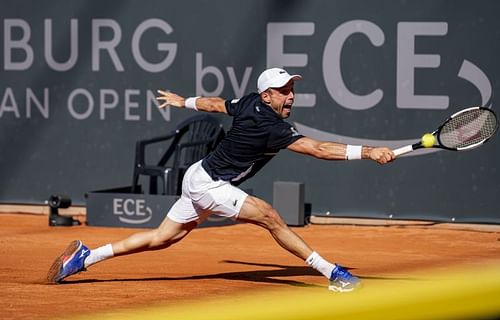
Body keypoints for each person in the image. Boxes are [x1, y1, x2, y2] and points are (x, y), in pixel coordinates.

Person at [47, 67, 395, 292]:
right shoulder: (270, 126)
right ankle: (332, 273)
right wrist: (368, 151)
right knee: (271, 216)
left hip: (198, 175)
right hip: (209, 184)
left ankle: (85, 257)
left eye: (291, 88)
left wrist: (185, 101)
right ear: (266, 96)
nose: (290, 95)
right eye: (282, 90)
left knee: (161, 238)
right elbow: (318, 149)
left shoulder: (247, 104)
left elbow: (217, 105)